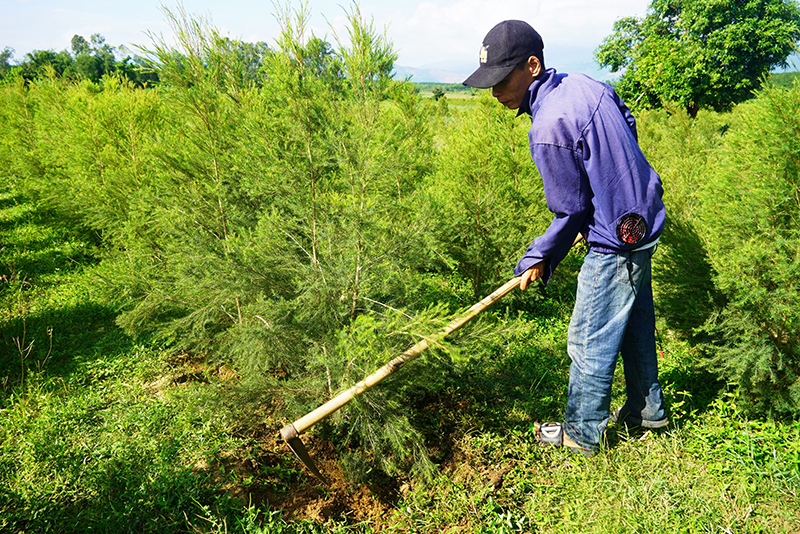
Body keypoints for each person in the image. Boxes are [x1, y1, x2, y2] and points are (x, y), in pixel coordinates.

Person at [463, 20, 668, 455]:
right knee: (633, 324)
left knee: (588, 338)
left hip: (616, 240)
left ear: (532, 65)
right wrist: (608, 192)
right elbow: (626, 126)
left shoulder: (549, 127)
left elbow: (569, 210)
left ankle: (581, 435)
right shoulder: (585, 84)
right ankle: (646, 413)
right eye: (489, 82)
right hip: (643, 221)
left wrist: (537, 257)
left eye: (502, 79)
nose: (495, 91)